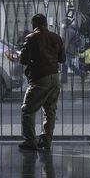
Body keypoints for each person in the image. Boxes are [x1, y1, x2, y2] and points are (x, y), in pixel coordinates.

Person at [15, 13, 65, 151]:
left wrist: (20, 54)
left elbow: (24, 60)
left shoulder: (31, 38)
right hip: (55, 77)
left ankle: (30, 141)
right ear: (45, 23)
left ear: (34, 24)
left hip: (40, 77)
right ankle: (46, 141)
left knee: (27, 110)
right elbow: (62, 59)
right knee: (50, 110)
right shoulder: (56, 38)